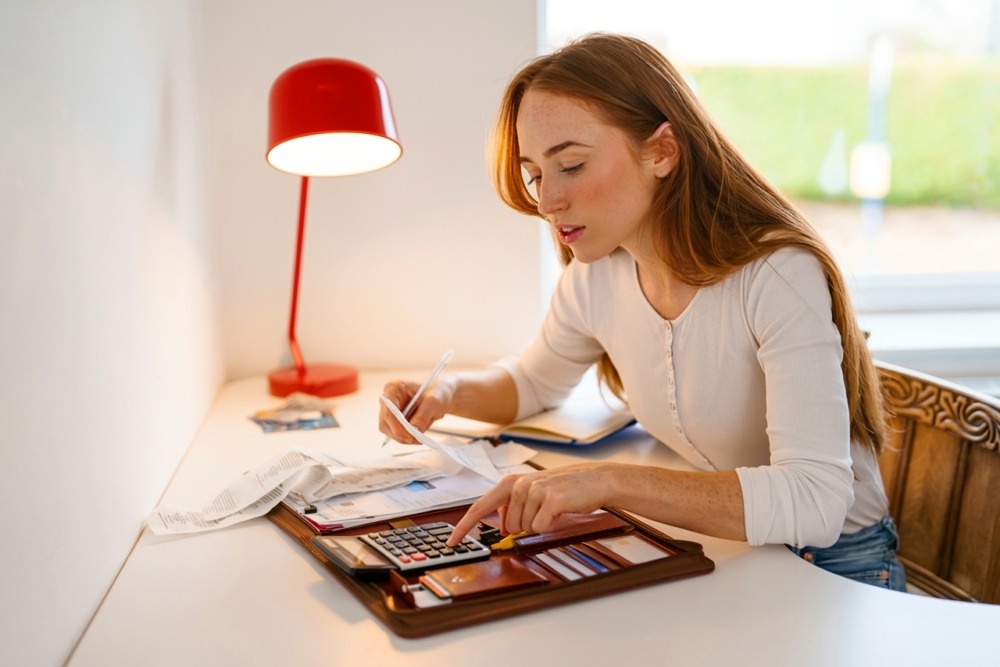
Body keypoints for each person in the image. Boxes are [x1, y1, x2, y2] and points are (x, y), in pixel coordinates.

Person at [378, 33, 905, 591]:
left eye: (572, 166)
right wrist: (444, 395)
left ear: (662, 152)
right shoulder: (598, 271)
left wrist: (606, 482)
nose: (545, 201)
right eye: (535, 173)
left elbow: (815, 503)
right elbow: (535, 381)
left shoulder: (776, 275)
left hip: (835, 567)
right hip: (731, 549)